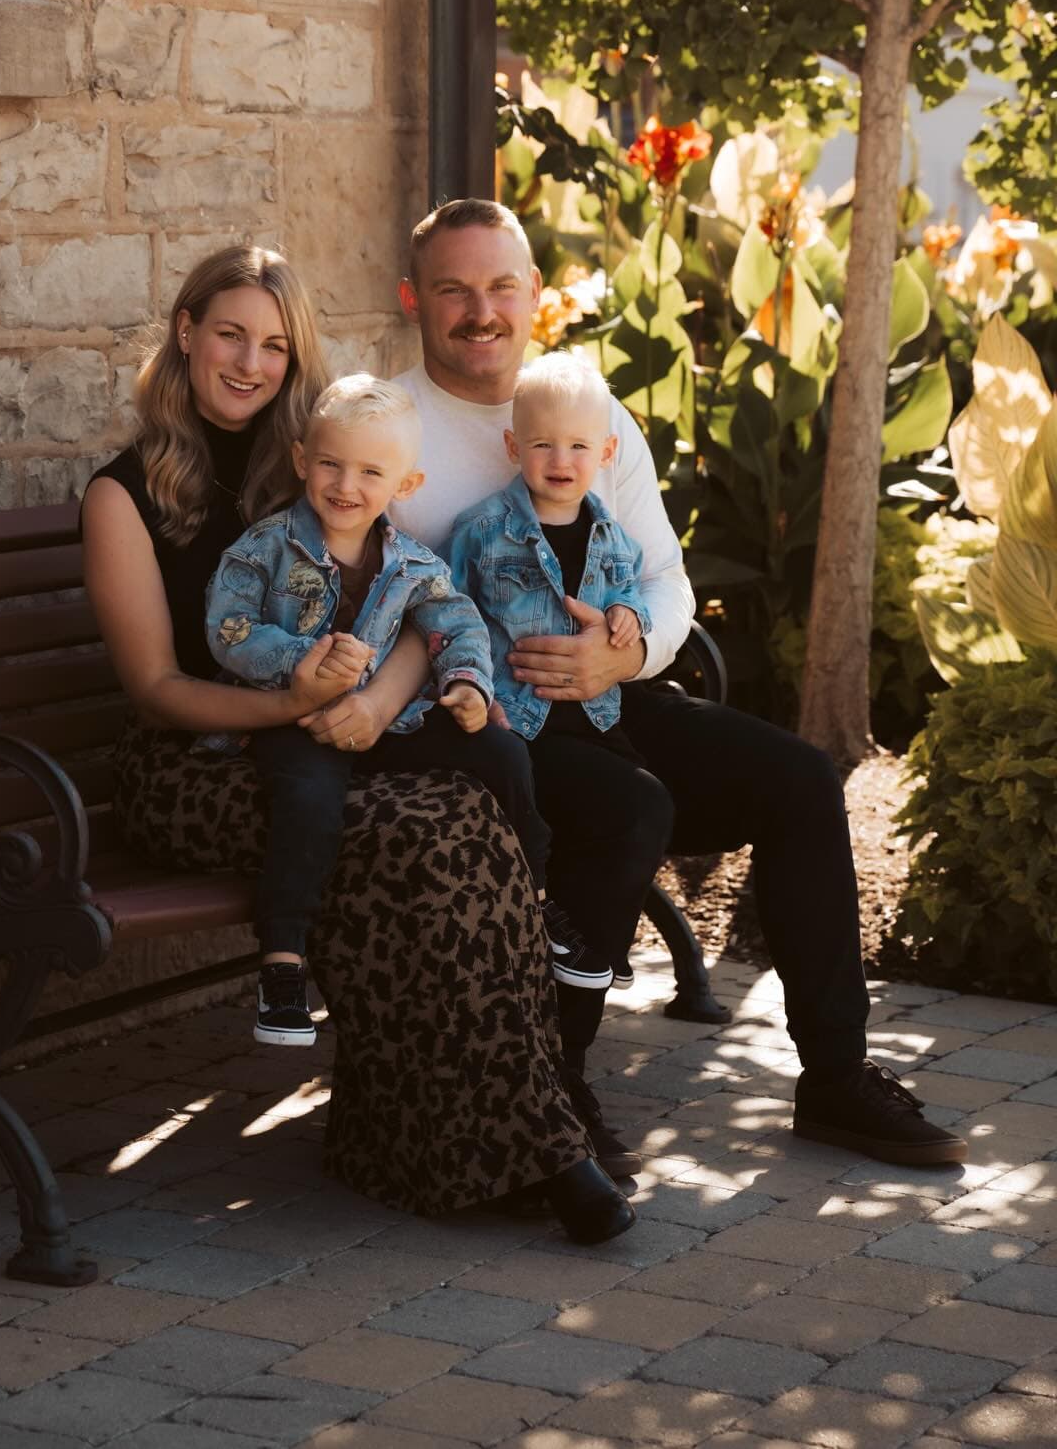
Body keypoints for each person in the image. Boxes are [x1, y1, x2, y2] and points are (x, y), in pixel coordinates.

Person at [393, 198, 968, 1174]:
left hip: (609, 697)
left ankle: (836, 1077)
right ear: (415, 299)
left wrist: (628, 651)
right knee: (629, 805)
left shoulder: (589, 411)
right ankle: (552, 1092)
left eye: (500, 286)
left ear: (536, 294)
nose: (480, 311)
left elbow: (664, 579)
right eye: (453, 289)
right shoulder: (389, 423)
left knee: (797, 777)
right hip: (480, 723)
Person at [81, 242, 635, 1243]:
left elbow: (420, 603)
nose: (251, 361)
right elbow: (158, 689)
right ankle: (520, 1141)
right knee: (414, 839)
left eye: (276, 346)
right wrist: (304, 704)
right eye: (231, 335)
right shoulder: (123, 495)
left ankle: (475, 1132)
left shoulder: (330, 453)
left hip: (336, 733)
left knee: (461, 812)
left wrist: (378, 703)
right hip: (194, 760)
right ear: (186, 334)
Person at [205, 373, 588, 1050]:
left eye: (370, 471)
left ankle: (537, 892)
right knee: (309, 793)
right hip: (292, 720)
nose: (346, 485)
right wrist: (298, 659)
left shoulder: (411, 564)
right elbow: (228, 628)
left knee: (500, 751)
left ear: (404, 485)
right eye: (330, 463)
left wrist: (469, 684)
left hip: (387, 725)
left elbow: (457, 623)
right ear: (302, 460)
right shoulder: (265, 549)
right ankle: (284, 960)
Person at [448, 351, 654, 991]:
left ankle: (594, 946)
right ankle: (578, 948)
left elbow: (635, 590)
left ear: (607, 450)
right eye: (542, 444)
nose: (560, 462)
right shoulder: (483, 531)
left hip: (594, 712)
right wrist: (476, 692)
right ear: (513, 445)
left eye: (578, 446)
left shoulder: (612, 535)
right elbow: (451, 614)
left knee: (637, 807)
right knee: (621, 808)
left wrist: (628, 616)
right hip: (521, 719)